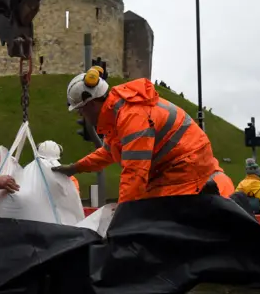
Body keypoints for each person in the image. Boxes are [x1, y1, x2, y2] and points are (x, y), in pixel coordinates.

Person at [52, 68, 234, 203]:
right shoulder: (119, 115)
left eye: (80, 112)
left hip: (186, 170)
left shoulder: (131, 116)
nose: (82, 117)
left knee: (151, 220)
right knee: (146, 215)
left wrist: (122, 218)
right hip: (178, 169)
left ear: (90, 105)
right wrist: (76, 167)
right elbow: (107, 153)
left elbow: (134, 174)